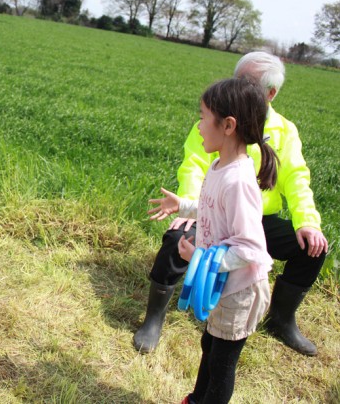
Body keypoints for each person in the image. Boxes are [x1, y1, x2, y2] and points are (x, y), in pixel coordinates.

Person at [133, 52, 329, 356]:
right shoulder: (217, 120)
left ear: (271, 93)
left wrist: (308, 223)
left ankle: (281, 320)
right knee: (177, 238)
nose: (237, 86)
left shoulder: (284, 131)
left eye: (246, 82)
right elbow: (194, 165)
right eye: (236, 78)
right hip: (215, 213)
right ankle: (153, 318)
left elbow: (297, 179)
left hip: (256, 221)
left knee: (312, 247)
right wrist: (191, 208)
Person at [148, 77, 276, 403]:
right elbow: (212, 206)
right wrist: (184, 205)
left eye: (203, 116)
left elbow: (250, 248)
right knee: (210, 346)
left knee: (222, 364)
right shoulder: (220, 165)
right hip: (224, 283)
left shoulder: (239, 181)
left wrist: (200, 258)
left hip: (240, 291)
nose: (199, 124)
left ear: (229, 125)